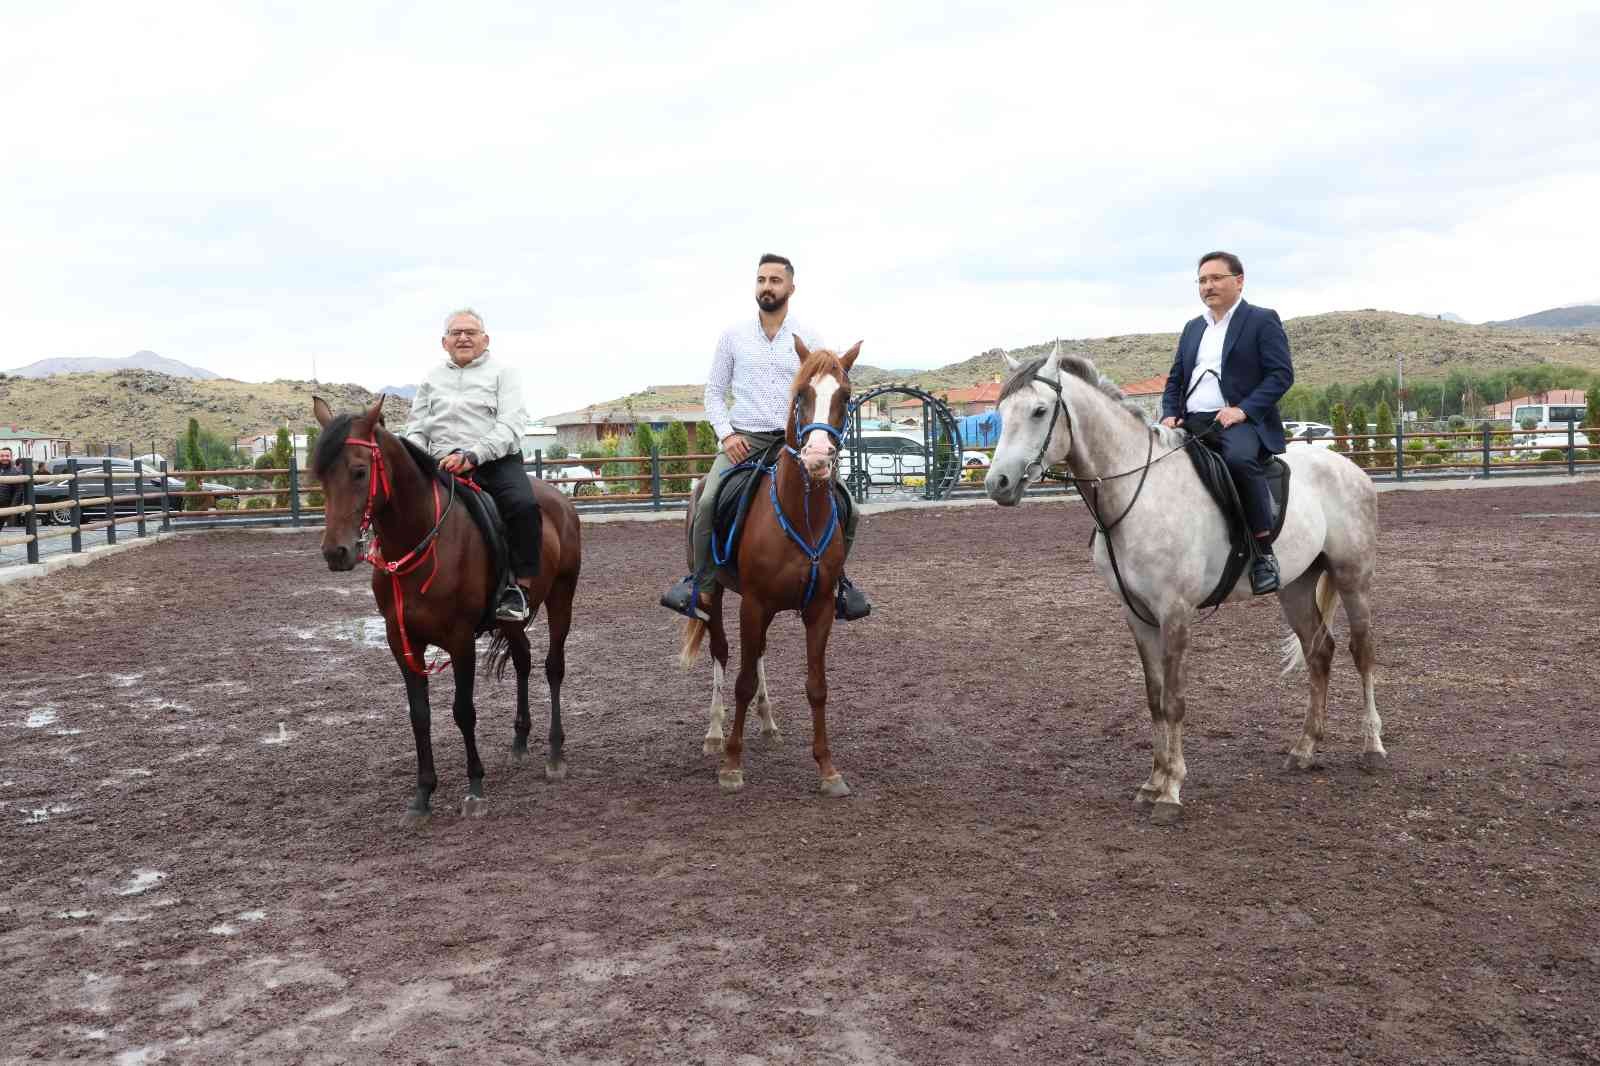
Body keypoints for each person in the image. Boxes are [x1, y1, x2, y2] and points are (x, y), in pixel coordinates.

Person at [660, 253, 871, 622]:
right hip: (745, 440)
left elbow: (823, 392)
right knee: (707, 500)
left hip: (795, 444)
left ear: (791, 287)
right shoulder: (733, 336)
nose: (767, 286)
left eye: (775, 280)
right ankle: (702, 586)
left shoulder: (810, 338)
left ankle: (838, 584)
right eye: (761, 280)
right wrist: (726, 436)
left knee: (847, 506)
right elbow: (713, 393)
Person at [1159, 251, 1294, 595]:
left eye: (1216, 278)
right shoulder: (1193, 328)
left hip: (1240, 422)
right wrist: (1169, 412)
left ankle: (1264, 554)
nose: (1209, 286)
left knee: (1239, 462)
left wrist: (1243, 410)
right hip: (1191, 423)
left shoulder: (1261, 320)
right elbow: (1175, 378)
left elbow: (1281, 375)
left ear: (1239, 280)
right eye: (1203, 280)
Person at [403, 308, 538, 621]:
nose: (463, 338)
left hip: (493, 461)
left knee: (523, 506)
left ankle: (519, 588)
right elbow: (417, 425)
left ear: (485, 339)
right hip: (438, 463)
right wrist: (419, 458)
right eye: (455, 333)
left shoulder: (505, 373)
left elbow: (510, 426)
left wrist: (473, 455)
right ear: (444, 342)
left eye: (470, 332)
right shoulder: (431, 378)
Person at [0, 447, 18, 524]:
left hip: (4, 506)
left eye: (7, 456)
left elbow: (18, 493)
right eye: (2, 456)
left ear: (11, 457)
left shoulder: (16, 472)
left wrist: (12, 509)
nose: (4, 458)